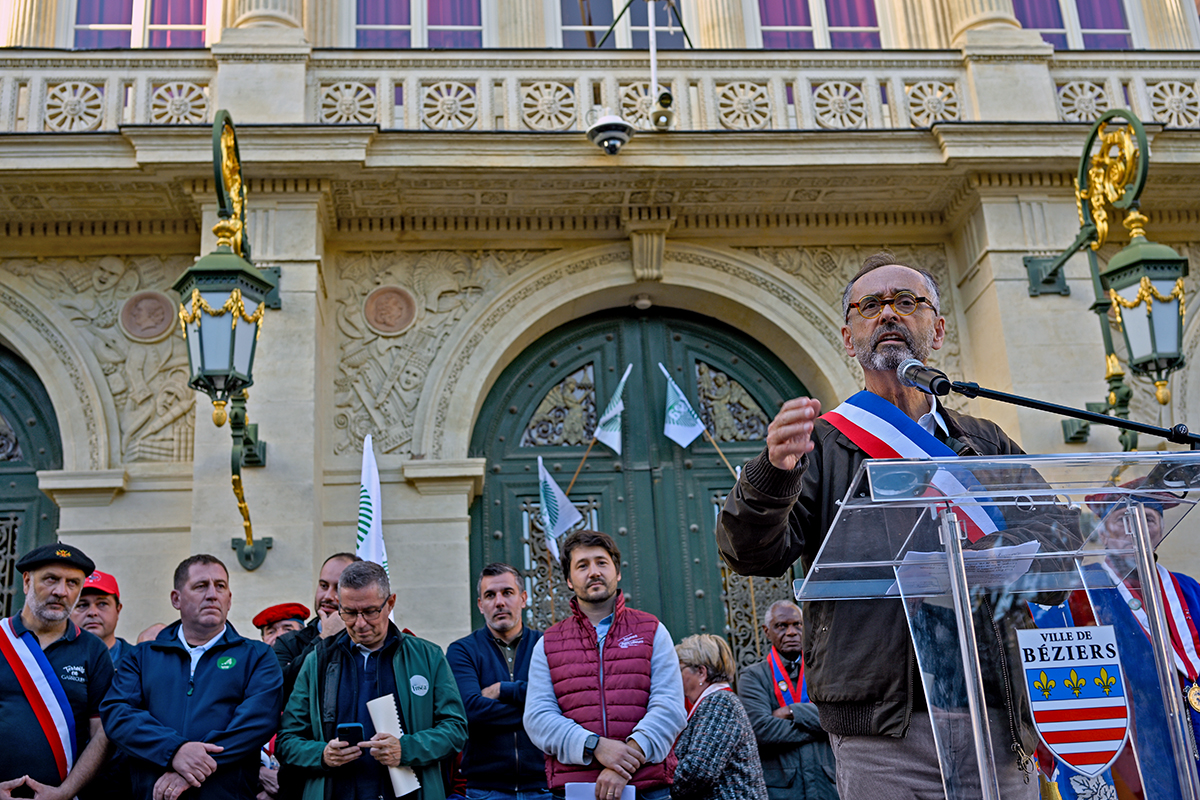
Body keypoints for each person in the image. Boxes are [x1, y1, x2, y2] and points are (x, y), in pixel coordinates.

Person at [716, 252, 1079, 799]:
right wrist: (773, 472)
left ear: (935, 330)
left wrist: (989, 552)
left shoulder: (984, 441)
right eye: (871, 305)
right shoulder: (825, 446)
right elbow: (749, 553)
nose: (888, 313)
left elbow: (1062, 535)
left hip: (996, 711)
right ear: (847, 335)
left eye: (906, 302)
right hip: (883, 730)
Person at [276, 560, 468, 800]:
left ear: (390, 604)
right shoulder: (317, 661)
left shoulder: (428, 656)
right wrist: (322, 754)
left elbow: (456, 729)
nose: (360, 623)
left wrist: (406, 749)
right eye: (348, 612)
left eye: (369, 611)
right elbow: (286, 742)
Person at [101, 554, 283, 800]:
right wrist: (174, 751)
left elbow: (257, 722)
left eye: (220, 586)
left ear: (229, 599)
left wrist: (190, 766)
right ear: (176, 599)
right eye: (200, 586)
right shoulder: (142, 656)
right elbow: (117, 713)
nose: (212, 594)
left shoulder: (257, 656)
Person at [523, 529, 687, 800]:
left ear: (617, 572)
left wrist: (623, 763)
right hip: (575, 790)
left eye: (602, 562)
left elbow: (669, 706)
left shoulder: (653, 630)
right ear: (568, 579)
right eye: (582, 565)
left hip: (648, 789)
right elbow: (538, 718)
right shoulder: (548, 643)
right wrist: (595, 746)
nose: (594, 572)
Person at [0, 543, 114, 800]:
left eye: (73, 583)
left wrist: (65, 792)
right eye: (51, 579)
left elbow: (103, 733)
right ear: (27, 581)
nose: (61, 591)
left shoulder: (93, 650)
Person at [446, 562, 548, 800]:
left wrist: (505, 689)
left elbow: (563, 702)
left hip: (544, 787)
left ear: (523, 598)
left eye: (508, 593)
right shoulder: (462, 651)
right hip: (485, 790)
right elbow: (471, 711)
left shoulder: (546, 645)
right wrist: (540, 710)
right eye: (490, 595)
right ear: (481, 605)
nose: (499, 602)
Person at [737, 602, 835, 800]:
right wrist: (821, 726)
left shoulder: (824, 671)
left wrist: (791, 712)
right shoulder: (752, 677)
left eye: (797, 625)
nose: (791, 632)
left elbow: (838, 716)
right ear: (766, 631)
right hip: (781, 791)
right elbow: (760, 730)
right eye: (781, 626)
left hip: (828, 787)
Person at [671, 633, 768, 800]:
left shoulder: (721, 702)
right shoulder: (714, 702)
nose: (674, 676)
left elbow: (699, 771)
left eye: (679, 669)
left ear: (701, 672)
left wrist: (658, 785)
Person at [273, 552, 359, 696]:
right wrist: (325, 637)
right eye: (324, 586)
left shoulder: (367, 640)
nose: (327, 596)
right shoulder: (289, 643)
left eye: (338, 588)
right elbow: (279, 690)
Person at [71, 569, 134, 664]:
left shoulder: (140, 661)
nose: (92, 612)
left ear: (118, 610)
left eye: (102, 604)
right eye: (82, 605)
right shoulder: (54, 661)